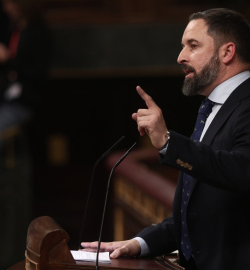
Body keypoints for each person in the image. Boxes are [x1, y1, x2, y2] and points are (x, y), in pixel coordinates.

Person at [81, 8, 250, 270]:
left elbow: (242, 171)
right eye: (183, 46)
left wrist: (169, 142)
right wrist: (140, 242)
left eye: (193, 46)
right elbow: (198, 210)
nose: (181, 56)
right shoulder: (212, 107)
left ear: (227, 52)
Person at [0, 0, 50, 168]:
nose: (6, 9)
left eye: (10, 3)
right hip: (0, 98)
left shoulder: (39, 33)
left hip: (21, 102)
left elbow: (37, 73)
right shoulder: (16, 29)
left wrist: (8, 60)